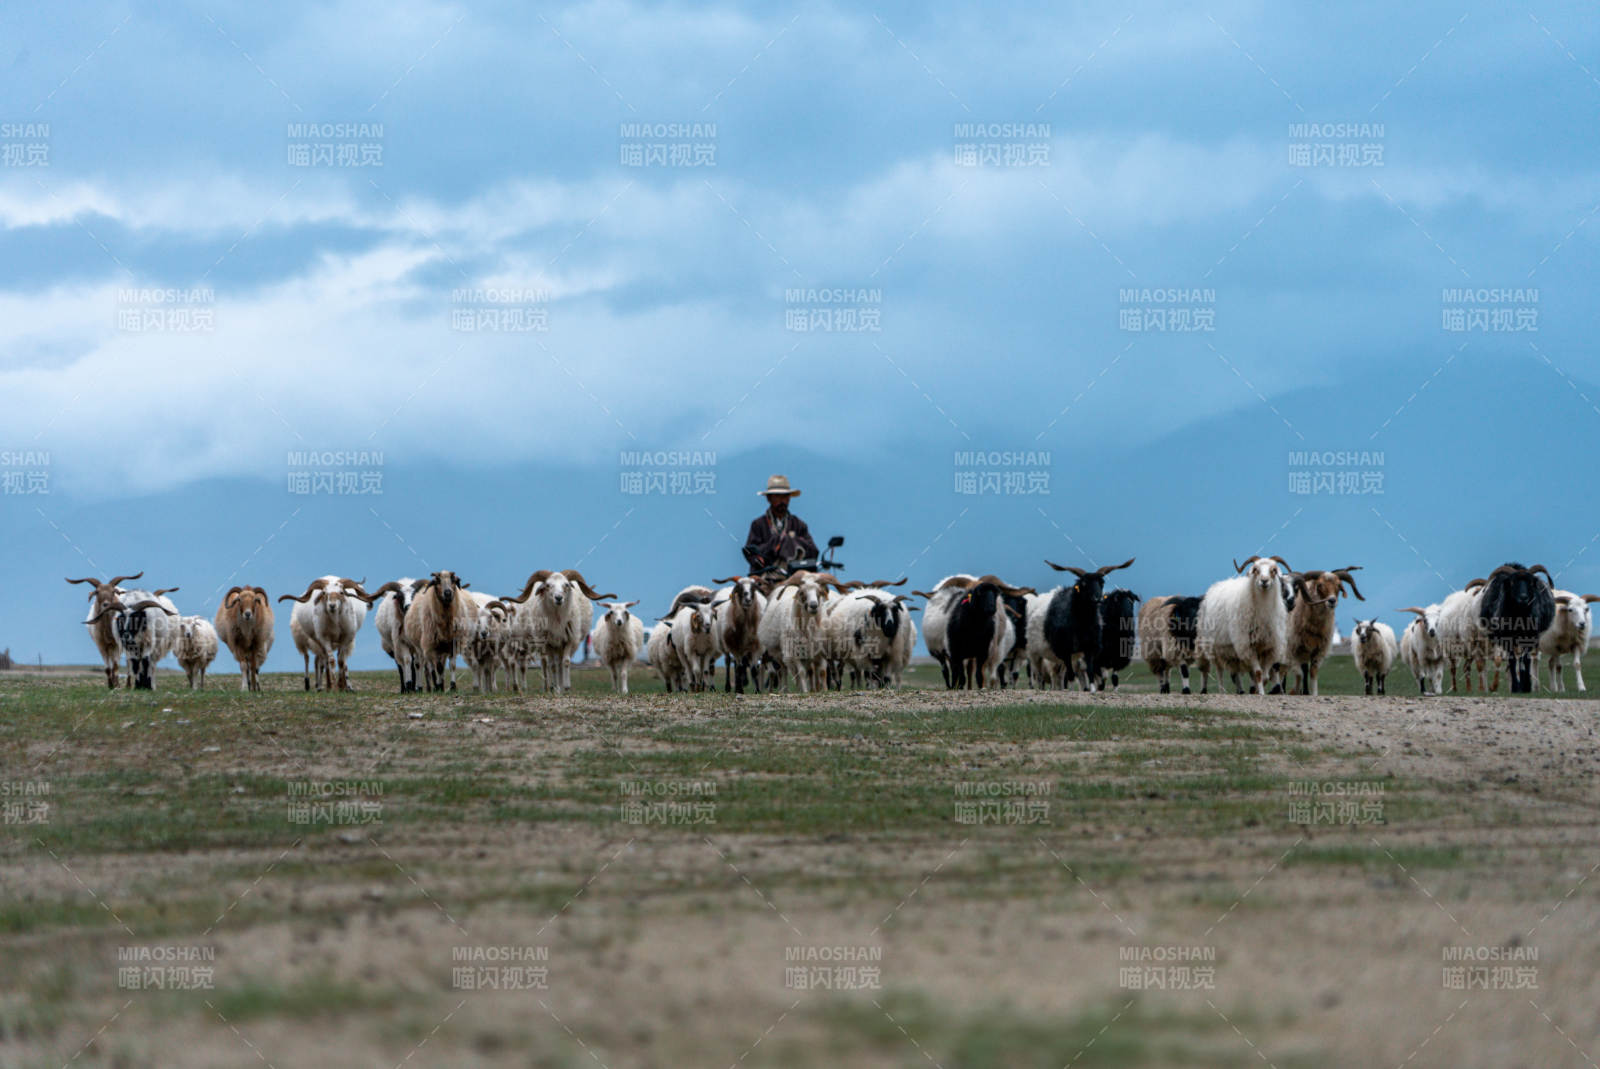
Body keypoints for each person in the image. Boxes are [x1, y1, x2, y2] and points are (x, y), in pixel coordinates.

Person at [742, 474, 818, 573]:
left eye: (785, 496)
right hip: (765, 576)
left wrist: (792, 542)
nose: (782, 500)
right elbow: (750, 553)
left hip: (794, 575)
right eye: (777, 496)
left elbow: (813, 551)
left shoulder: (799, 524)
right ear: (769, 498)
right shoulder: (758, 524)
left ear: (790, 498)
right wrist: (776, 543)